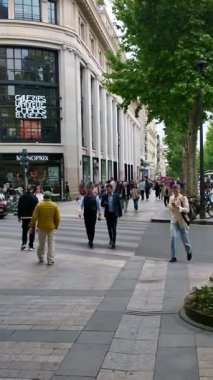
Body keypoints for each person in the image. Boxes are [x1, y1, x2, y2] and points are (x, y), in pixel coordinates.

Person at [29, 191, 60, 265]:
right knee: (51, 244)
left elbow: (34, 217)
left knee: (41, 243)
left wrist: (31, 226)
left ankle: (40, 257)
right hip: (51, 227)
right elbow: (58, 218)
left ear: (43, 197)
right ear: (50, 197)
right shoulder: (54, 205)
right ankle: (50, 259)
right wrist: (56, 225)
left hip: (41, 227)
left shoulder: (39, 205)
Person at [168, 184, 192, 263]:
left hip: (182, 221)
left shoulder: (183, 198)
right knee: (173, 237)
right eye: (173, 189)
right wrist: (171, 206)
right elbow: (170, 208)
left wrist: (179, 207)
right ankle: (173, 256)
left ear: (179, 189)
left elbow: (187, 209)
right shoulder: (171, 198)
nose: (175, 191)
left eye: (176, 189)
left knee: (185, 239)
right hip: (174, 221)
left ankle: (189, 251)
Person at [101, 184, 122, 248]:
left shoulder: (116, 195)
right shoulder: (104, 196)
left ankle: (114, 242)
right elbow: (101, 204)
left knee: (114, 228)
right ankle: (111, 239)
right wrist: (104, 203)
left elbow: (119, 204)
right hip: (108, 214)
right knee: (109, 228)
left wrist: (120, 213)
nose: (107, 190)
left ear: (111, 189)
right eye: (107, 189)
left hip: (114, 214)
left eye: (109, 189)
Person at [17, 186, 38, 251]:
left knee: (24, 231)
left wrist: (19, 216)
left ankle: (24, 243)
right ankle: (31, 246)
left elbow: (19, 207)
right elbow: (36, 208)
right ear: (31, 190)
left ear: (26, 190)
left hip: (24, 217)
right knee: (31, 231)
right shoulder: (34, 198)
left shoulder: (22, 197)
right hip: (32, 217)